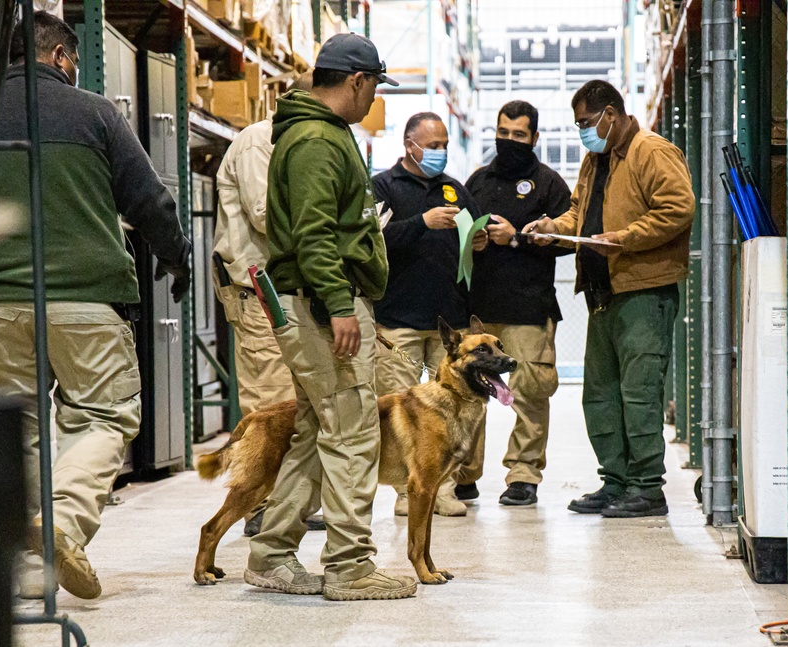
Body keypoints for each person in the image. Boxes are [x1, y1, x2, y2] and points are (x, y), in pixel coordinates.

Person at [0, 12, 191, 598]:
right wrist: (178, 260)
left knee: (14, 428)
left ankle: (27, 569)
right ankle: (61, 524)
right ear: (63, 57)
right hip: (87, 302)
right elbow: (150, 201)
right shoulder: (96, 113)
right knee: (105, 415)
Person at [244, 33, 418, 601]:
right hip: (323, 306)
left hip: (311, 302)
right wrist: (340, 306)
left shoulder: (317, 132)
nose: (374, 100)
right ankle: (350, 567)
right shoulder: (318, 139)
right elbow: (313, 234)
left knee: (316, 430)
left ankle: (271, 556)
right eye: (374, 88)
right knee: (351, 432)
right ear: (356, 81)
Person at [527, 80, 695, 518]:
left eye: (586, 122)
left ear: (611, 114)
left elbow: (678, 209)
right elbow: (580, 213)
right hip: (603, 293)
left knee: (638, 394)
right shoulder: (595, 160)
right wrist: (552, 228)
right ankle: (616, 481)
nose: (583, 130)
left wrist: (623, 239)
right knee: (601, 395)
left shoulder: (652, 151)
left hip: (642, 289)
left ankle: (647, 488)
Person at [211, 71, 324, 537]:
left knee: (293, 401)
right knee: (268, 400)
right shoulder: (262, 141)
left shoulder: (294, 143)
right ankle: (258, 506)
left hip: (284, 290)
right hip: (258, 291)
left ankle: (280, 501)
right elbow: (264, 215)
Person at [456, 101, 573, 507]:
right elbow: (460, 233)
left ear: (534, 138)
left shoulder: (549, 184)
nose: (508, 141)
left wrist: (517, 239)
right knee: (469, 393)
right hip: (480, 309)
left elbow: (569, 242)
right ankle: (464, 474)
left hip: (528, 308)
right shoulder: (478, 180)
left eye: (518, 135)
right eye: (502, 133)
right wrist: (475, 240)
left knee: (529, 393)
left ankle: (523, 476)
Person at [371, 111, 487, 518]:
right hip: (398, 316)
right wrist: (421, 222)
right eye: (432, 146)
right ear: (409, 145)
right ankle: (406, 490)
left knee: (454, 410)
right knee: (402, 414)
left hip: (449, 325)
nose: (439, 153)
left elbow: (473, 230)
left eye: (444, 146)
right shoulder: (382, 186)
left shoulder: (453, 189)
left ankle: (443, 489)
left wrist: (480, 238)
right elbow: (372, 241)